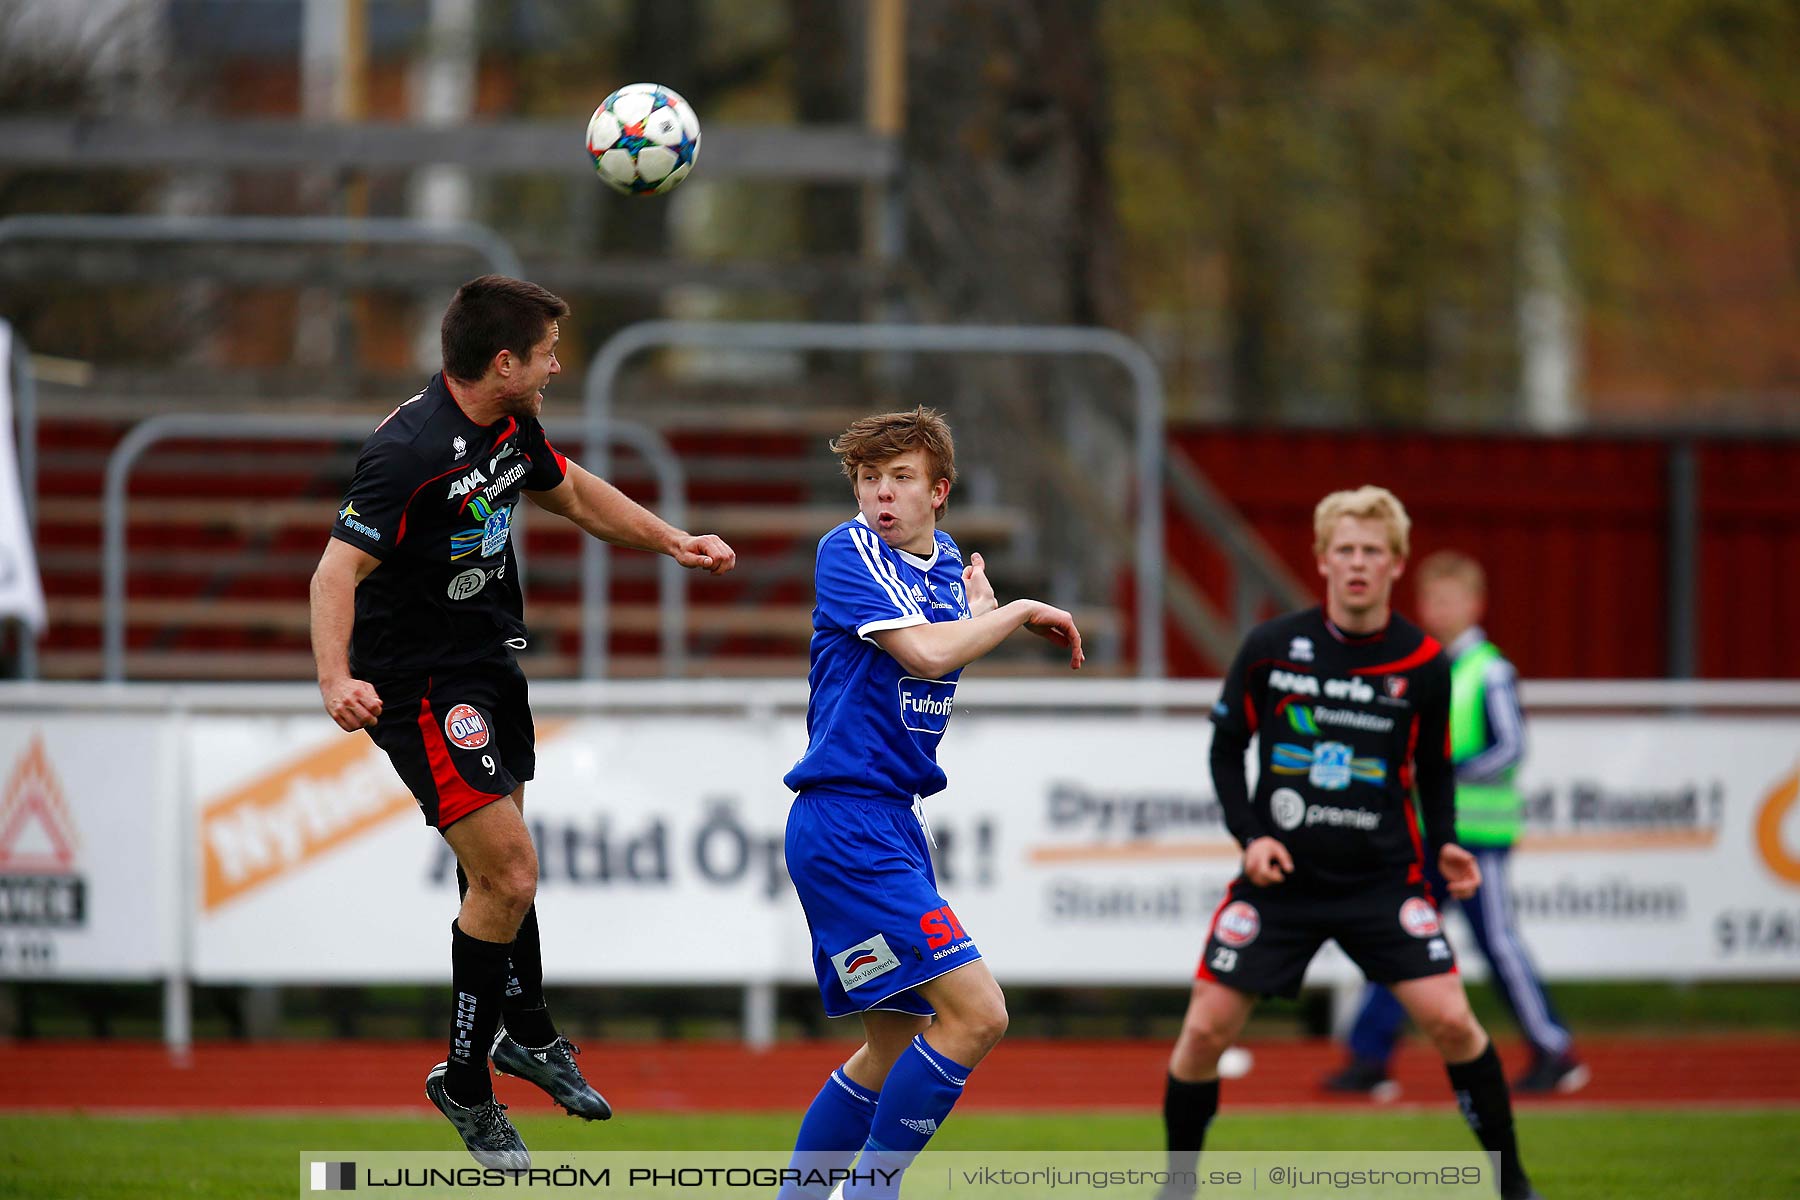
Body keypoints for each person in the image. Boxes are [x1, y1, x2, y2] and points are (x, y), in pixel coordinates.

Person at [308, 275, 736, 1168]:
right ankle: (467, 1083)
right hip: (421, 685)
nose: (556, 367)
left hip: (487, 664)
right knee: (509, 875)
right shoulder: (408, 453)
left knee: (507, 876)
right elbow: (333, 574)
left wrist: (671, 540)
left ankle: (529, 1036)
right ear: (503, 363)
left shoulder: (507, 426)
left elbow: (572, 493)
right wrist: (335, 676)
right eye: (545, 354)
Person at [1157, 487, 1543, 1200]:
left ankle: (1512, 1183)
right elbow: (1225, 750)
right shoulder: (1272, 648)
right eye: (1345, 550)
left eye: (1372, 551)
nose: (1358, 563)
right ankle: (1178, 1186)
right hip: (1281, 884)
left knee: (1454, 1022)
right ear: (1323, 559)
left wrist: (1448, 842)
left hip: (1382, 883)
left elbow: (1431, 771)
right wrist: (1250, 838)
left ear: (1396, 564)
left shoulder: (1424, 662)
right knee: (1205, 1033)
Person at [776, 407, 1083, 1200]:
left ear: (939, 491)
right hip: (847, 825)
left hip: (890, 824)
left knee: (894, 1043)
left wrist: (978, 612)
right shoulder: (848, 551)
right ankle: (873, 1191)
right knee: (979, 1014)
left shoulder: (945, 564)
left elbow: (942, 643)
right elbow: (922, 651)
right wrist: (1011, 613)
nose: (881, 495)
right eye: (869, 479)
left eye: (900, 478)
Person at [1324, 551, 1585, 1098]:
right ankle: (1369, 1059)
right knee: (1396, 937)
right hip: (1426, 836)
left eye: (1450, 599)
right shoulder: (1424, 665)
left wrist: (1445, 774)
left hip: (1478, 839)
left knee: (1497, 943)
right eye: (1432, 599)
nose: (1439, 610)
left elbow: (1511, 747)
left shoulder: (1490, 671)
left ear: (1475, 604)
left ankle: (1553, 1049)